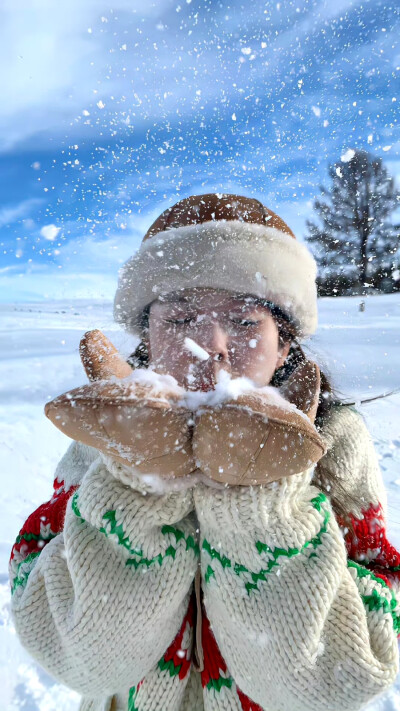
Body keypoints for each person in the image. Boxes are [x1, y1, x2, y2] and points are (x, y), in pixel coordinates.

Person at [9, 193, 400, 711]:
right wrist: (137, 482)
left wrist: (259, 498)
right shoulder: (103, 444)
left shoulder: (330, 443)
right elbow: (80, 658)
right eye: (179, 319)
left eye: (243, 321)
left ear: (284, 344)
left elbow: (341, 677)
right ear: (146, 335)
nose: (211, 344)